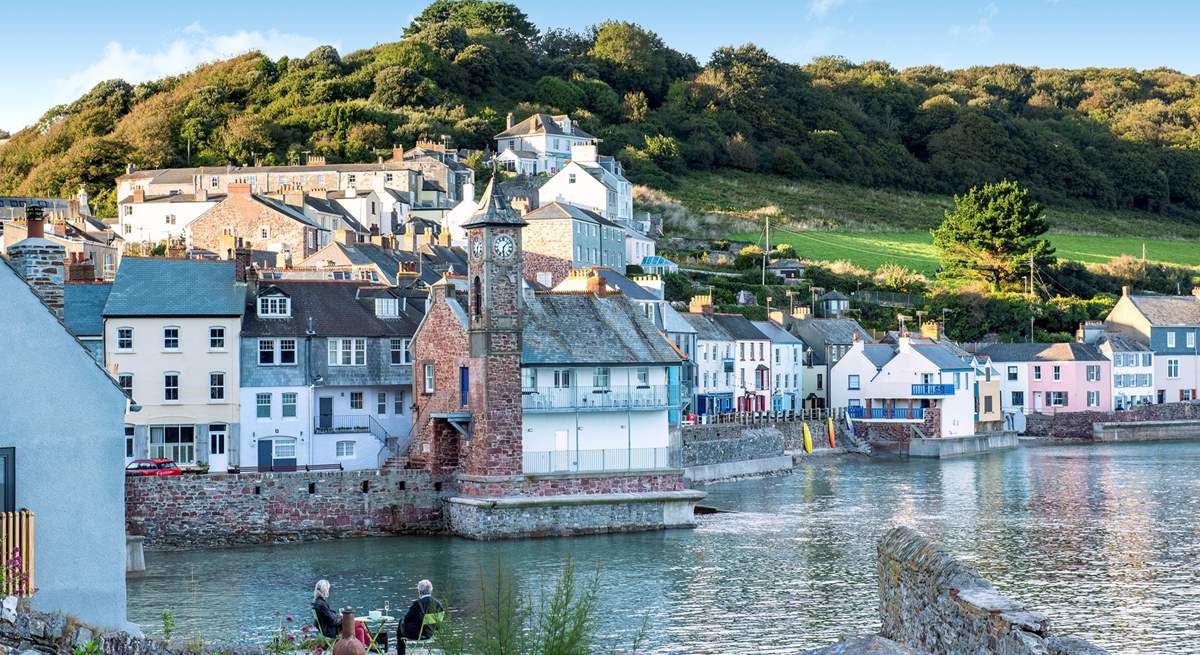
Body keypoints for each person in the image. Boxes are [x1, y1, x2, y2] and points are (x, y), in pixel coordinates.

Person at [311, 579, 370, 646]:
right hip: (333, 630)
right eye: (328, 589)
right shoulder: (321, 604)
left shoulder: (317, 602)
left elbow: (329, 616)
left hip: (329, 628)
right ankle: (371, 644)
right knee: (360, 623)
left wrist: (338, 616)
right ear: (325, 590)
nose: (329, 591)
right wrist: (343, 618)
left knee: (360, 630)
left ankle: (361, 650)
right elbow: (333, 621)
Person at [397, 579, 444, 654]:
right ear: (430, 590)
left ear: (419, 591)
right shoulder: (438, 604)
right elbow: (439, 623)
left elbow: (406, 619)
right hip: (430, 634)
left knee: (401, 622)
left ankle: (401, 653)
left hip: (416, 634)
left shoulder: (418, 604)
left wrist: (402, 621)